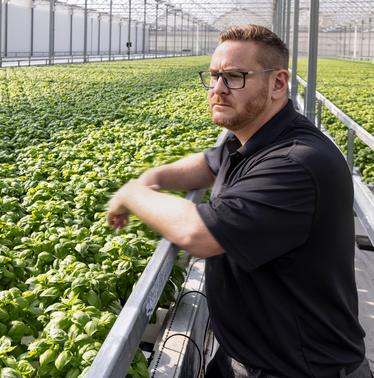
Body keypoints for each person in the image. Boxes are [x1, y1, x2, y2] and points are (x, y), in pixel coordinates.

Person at [106, 24, 371, 378]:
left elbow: (196, 234)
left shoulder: (296, 162)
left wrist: (131, 193)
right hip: (247, 354)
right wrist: (154, 178)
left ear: (278, 83)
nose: (217, 89)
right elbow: (208, 165)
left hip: (299, 369)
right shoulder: (254, 137)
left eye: (234, 77)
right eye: (213, 76)